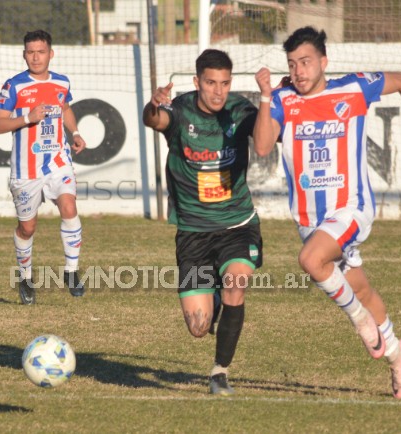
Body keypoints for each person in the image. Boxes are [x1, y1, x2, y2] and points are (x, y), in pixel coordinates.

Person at [253, 26, 401, 399]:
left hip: (350, 208)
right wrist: (263, 96)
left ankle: (360, 323)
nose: (298, 72)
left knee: (310, 259)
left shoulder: (353, 88)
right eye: (292, 65)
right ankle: (395, 354)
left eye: (305, 62)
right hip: (310, 218)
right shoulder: (282, 99)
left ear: (324, 61)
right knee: (361, 288)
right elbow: (260, 147)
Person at [143, 49, 263, 396]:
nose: (218, 91)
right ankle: (214, 298)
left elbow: (269, 133)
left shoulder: (240, 110)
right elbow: (154, 121)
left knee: (236, 282)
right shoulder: (179, 111)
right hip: (193, 233)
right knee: (198, 326)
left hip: (237, 224)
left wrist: (272, 99)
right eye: (210, 83)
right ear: (197, 82)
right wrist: (153, 106)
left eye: (224, 83)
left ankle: (219, 373)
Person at [0, 29, 86, 304]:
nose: (35, 57)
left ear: (50, 54)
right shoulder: (14, 86)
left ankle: (70, 272)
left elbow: (64, 107)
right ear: (24, 55)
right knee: (27, 228)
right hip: (25, 170)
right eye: (30, 52)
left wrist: (76, 132)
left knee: (69, 207)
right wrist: (27, 118)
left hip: (57, 159)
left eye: (40, 51)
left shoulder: (62, 82)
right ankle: (25, 277)